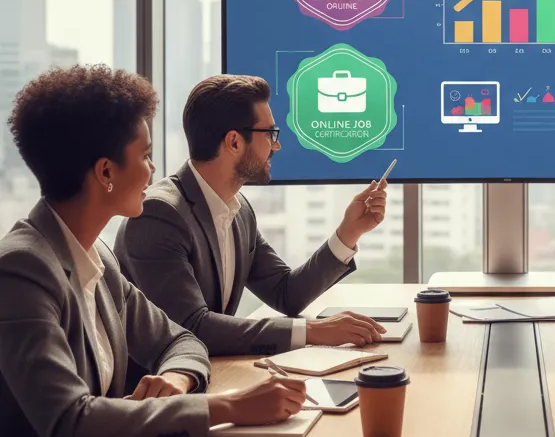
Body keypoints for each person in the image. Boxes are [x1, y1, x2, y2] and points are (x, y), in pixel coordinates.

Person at [0, 66, 306, 437]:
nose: (153, 169)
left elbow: (181, 339)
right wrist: (229, 406)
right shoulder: (22, 270)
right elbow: (69, 422)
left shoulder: (96, 257)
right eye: (145, 155)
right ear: (106, 171)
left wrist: (177, 378)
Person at [114, 75, 388, 357]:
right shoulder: (159, 215)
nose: (276, 146)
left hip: (215, 373)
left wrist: (349, 232)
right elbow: (191, 327)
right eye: (269, 134)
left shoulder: (239, 211)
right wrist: (311, 331)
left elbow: (286, 293)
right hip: (158, 383)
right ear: (234, 142)